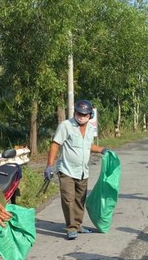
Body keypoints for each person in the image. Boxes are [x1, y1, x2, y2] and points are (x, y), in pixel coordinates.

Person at [45, 99, 107, 240]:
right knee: (68, 199)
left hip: (83, 171)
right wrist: (49, 165)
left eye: (85, 114)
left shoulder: (90, 129)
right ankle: (71, 227)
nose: (81, 116)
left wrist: (101, 150)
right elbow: (55, 144)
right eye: (79, 113)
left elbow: (87, 145)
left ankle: (77, 225)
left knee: (80, 199)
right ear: (75, 112)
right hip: (66, 170)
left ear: (90, 115)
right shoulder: (65, 126)